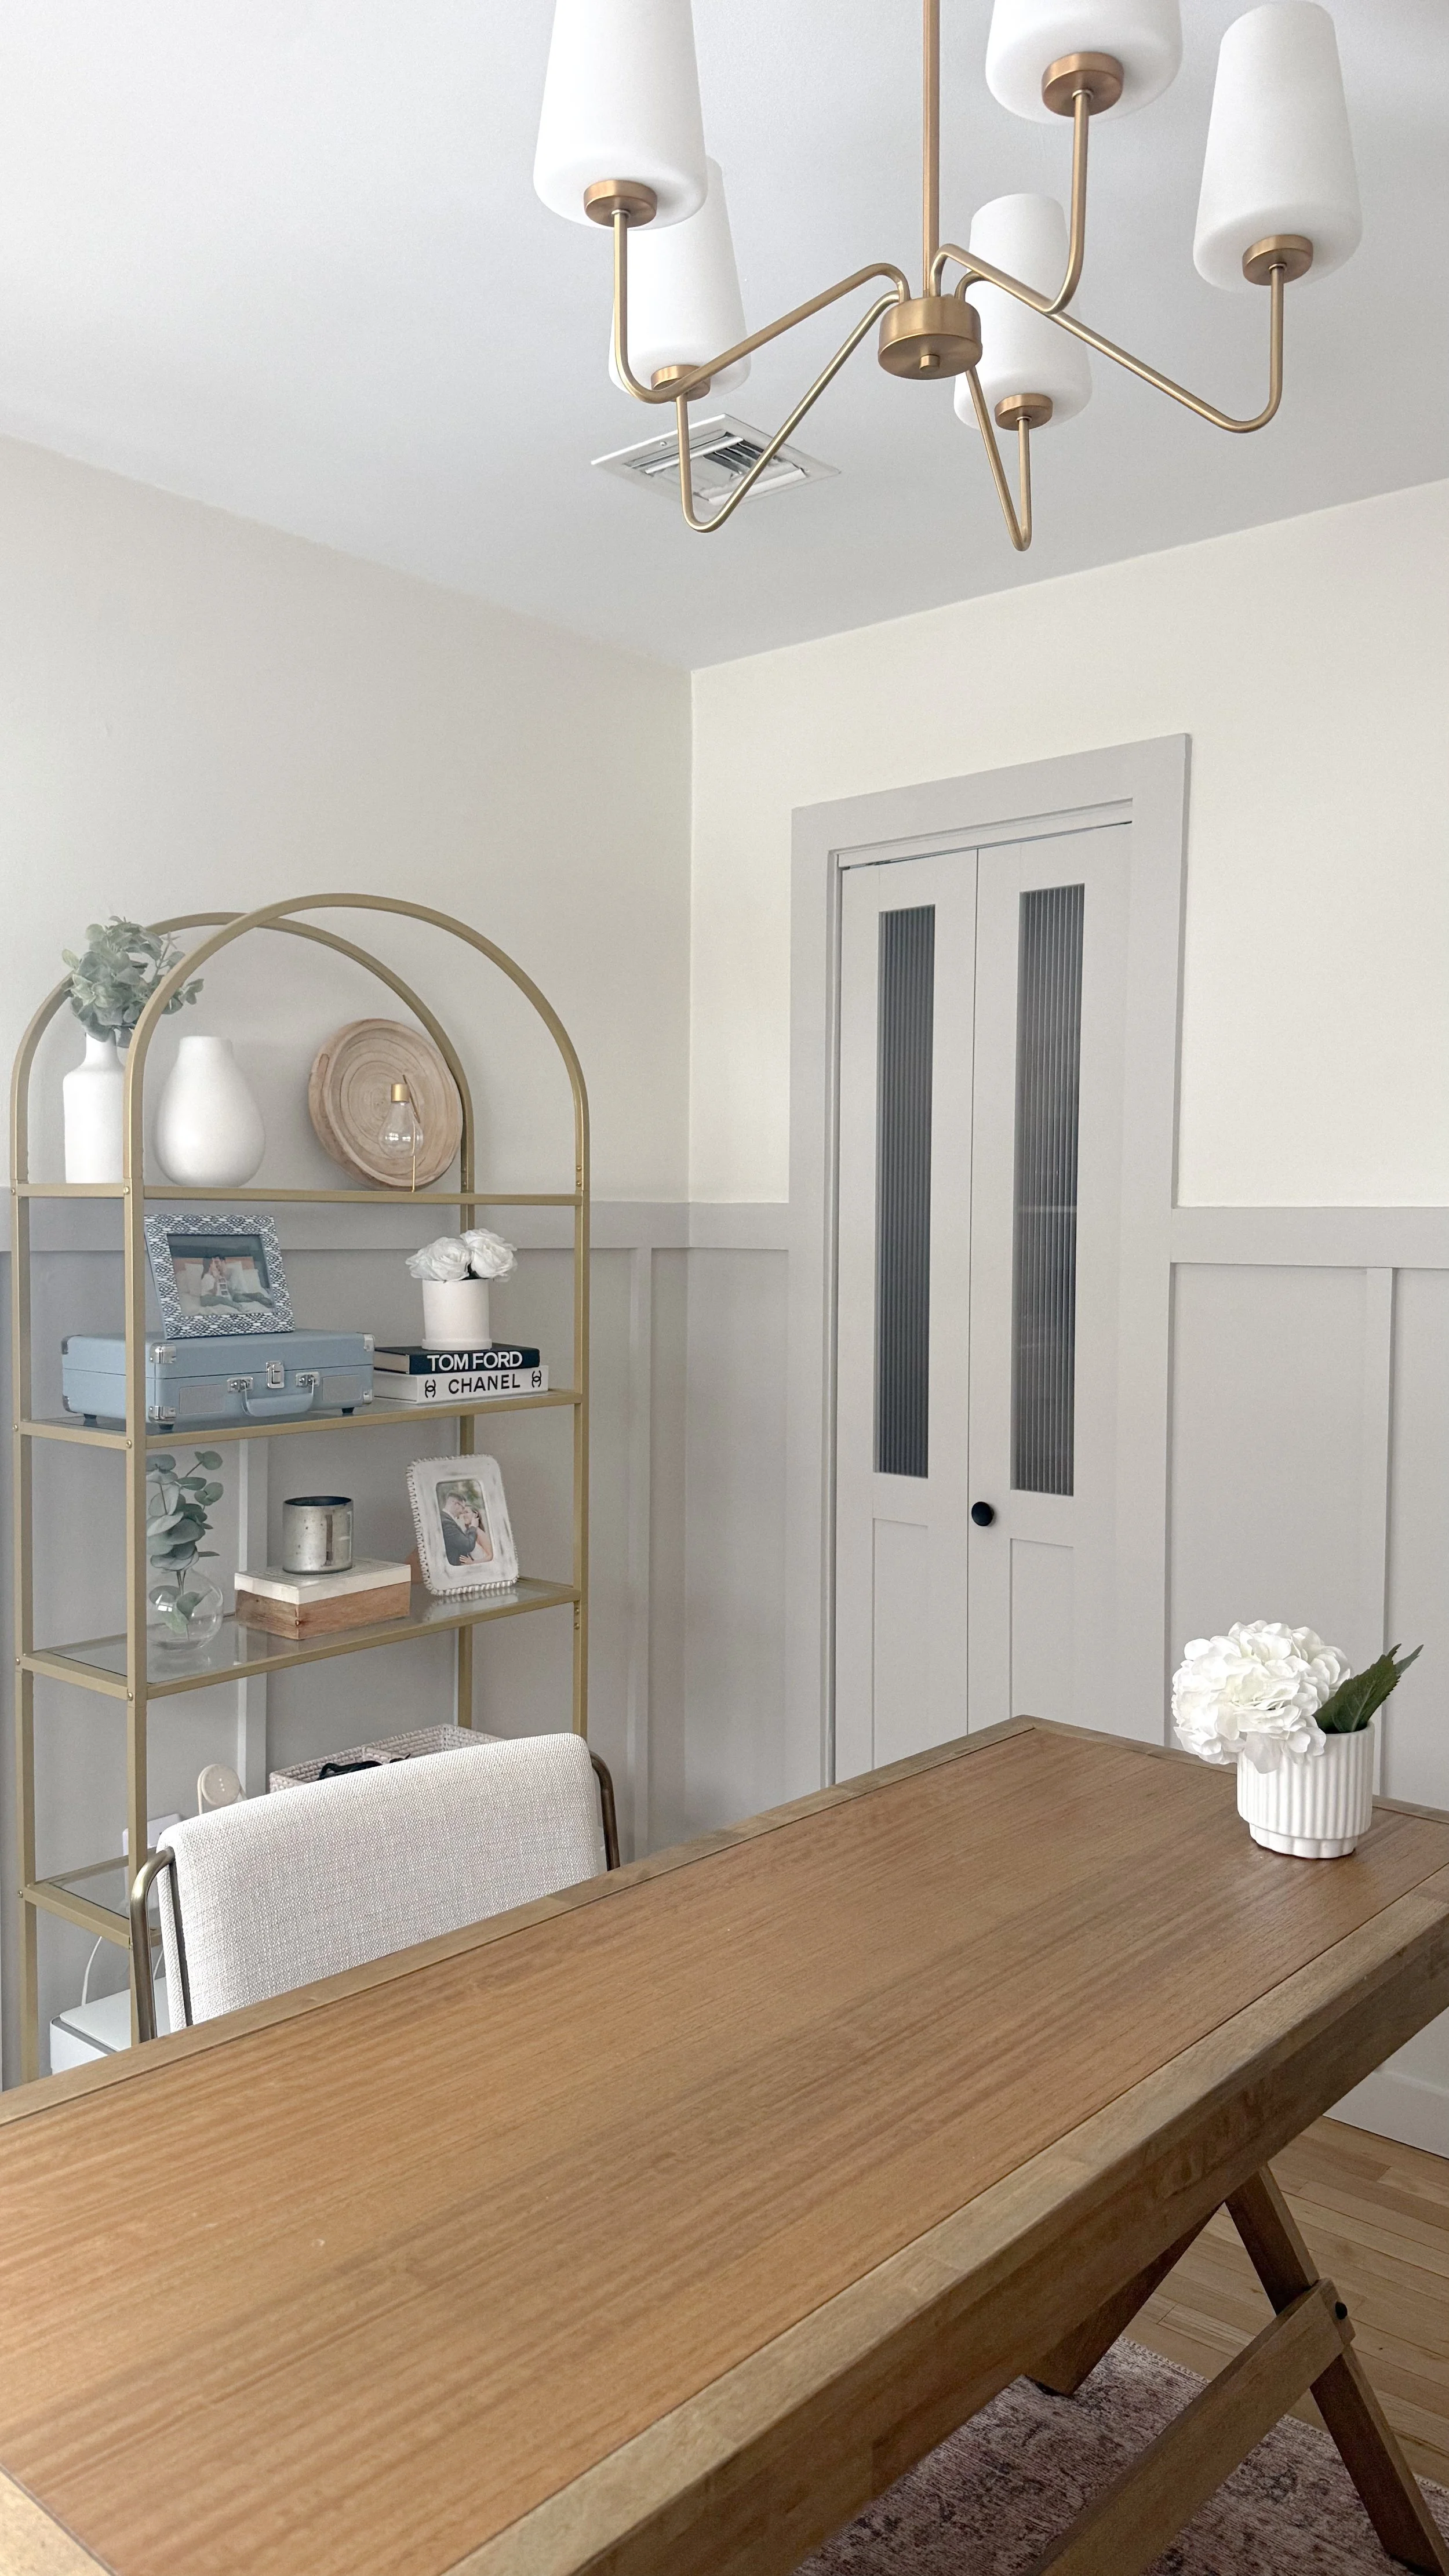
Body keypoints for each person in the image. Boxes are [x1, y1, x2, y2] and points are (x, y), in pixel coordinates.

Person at [440, 1490, 493, 1567]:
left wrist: (473, 1563)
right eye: (463, 1511)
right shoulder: (466, 1532)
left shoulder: (478, 1532)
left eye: (467, 1512)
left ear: (475, 1515)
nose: (463, 1514)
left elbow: (490, 1556)